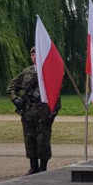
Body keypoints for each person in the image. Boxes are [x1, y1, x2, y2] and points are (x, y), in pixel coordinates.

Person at [6, 46, 61, 175]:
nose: (35, 56)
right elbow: (11, 86)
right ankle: (33, 167)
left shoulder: (50, 71)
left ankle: (43, 168)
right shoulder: (27, 72)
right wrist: (15, 100)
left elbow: (56, 94)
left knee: (43, 140)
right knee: (29, 139)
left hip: (44, 111)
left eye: (38, 54)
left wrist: (53, 113)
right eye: (32, 54)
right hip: (28, 111)